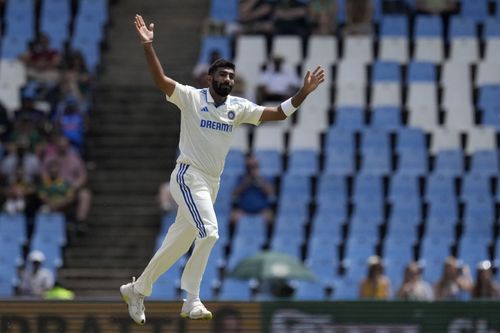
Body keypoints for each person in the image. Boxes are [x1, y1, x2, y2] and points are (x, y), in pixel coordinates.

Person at [119, 14, 325, 325]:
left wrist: (303, 94)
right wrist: (148, 46)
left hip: (210, 185)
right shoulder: (191, 97)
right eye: (222, 75)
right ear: (209, 78)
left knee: (176, 245)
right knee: (211, 232)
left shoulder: (237, 107)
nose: (227, 79)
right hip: (188, 176)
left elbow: (278, 114)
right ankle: (191, 299)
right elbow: (161, 81)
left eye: (231, 75)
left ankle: (137, 289)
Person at [230, 154, 275, 237]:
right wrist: (247, 182)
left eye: (254, 166)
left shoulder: (264, 178)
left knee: (270, 217)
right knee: (233, 216)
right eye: (250, 167)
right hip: (244, 211)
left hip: (261, 211)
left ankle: (267, 241)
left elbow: (271, 193)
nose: (252, 169)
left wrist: (260, 181)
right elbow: (234, 194)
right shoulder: (241, 178)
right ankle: (234, 239)